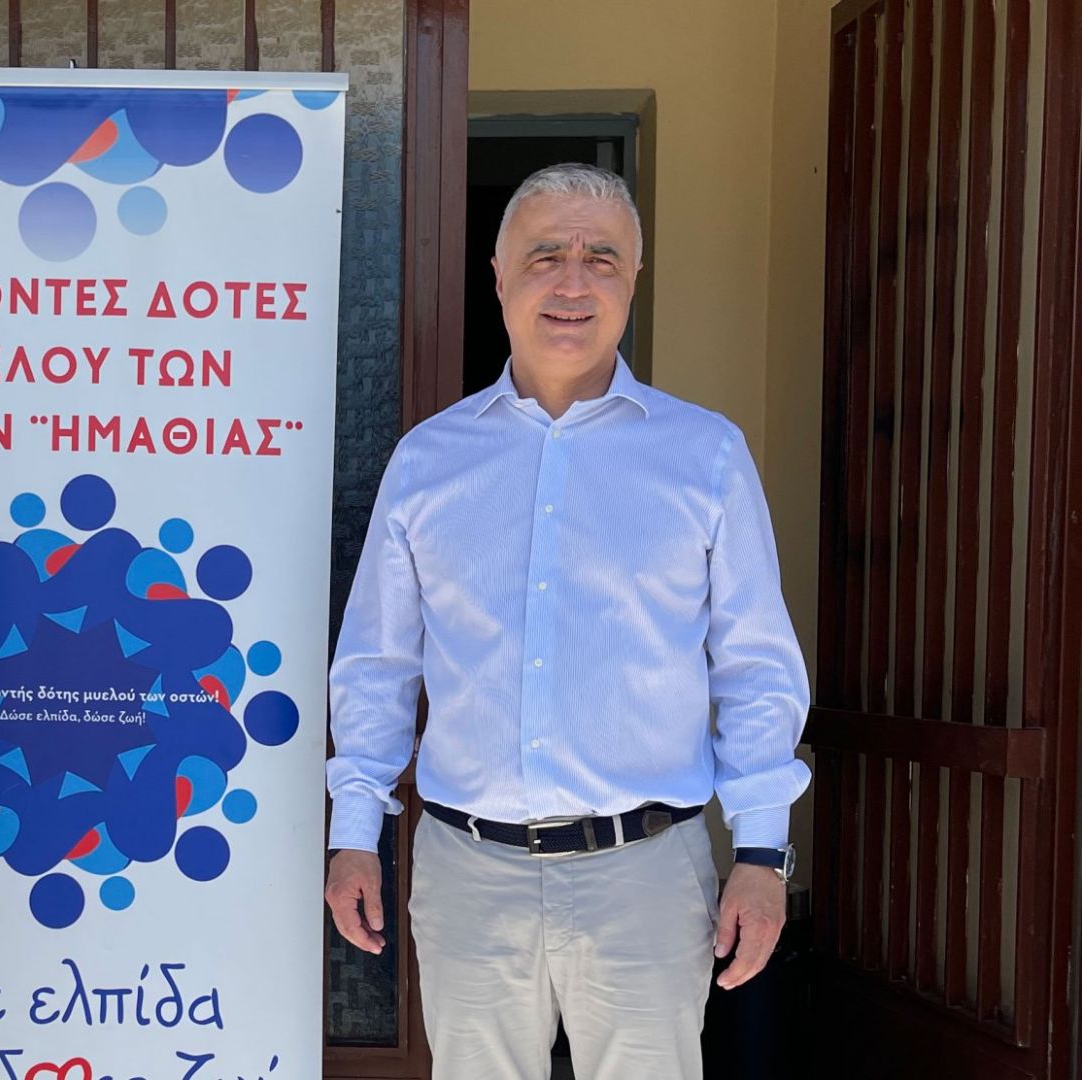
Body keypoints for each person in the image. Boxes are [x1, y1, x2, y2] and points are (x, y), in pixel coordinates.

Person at [323, 162, 809, 1079]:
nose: (572, 282)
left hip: (646, 872)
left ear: (634, 279)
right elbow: (377, 665)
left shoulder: (704, 456)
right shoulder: (427, 461)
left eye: (602, 258)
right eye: (545, 254)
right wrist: (354, 831)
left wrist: (760, 850)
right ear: (498, 275)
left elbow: (754, 668)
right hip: (466, 872)